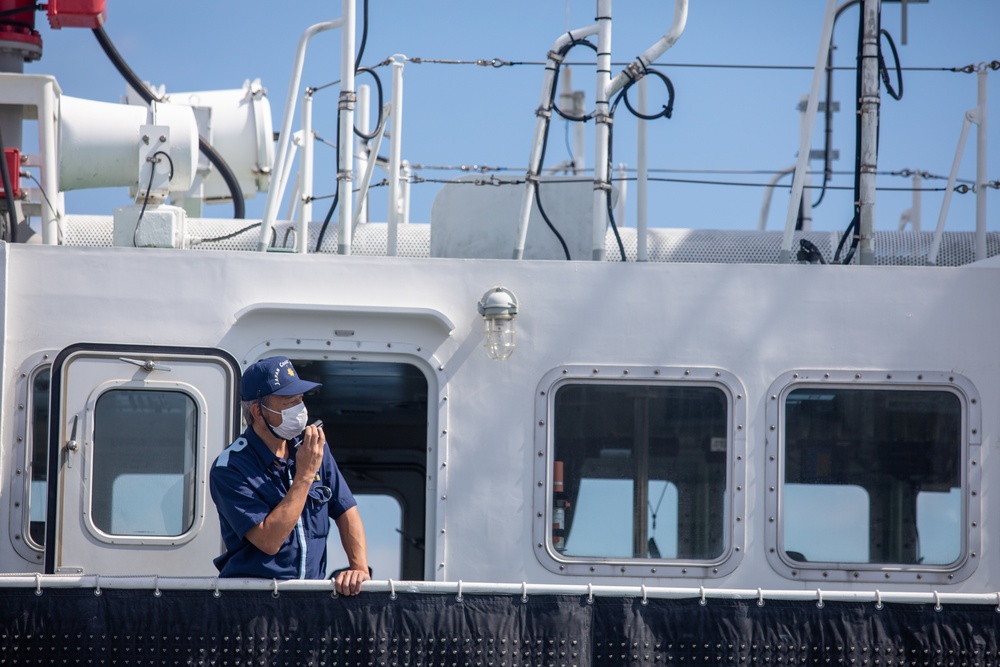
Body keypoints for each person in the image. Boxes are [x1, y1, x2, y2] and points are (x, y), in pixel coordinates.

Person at [209, 356, 370, 594]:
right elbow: (269, 540)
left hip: (309, 599)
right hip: (253, 603)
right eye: (288, 401)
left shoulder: (313, 449)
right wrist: (305, 475)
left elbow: (346, 510)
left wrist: (359, 569)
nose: (299, 408)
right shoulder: (229, 468)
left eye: (300, 399)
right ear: (258, 411)